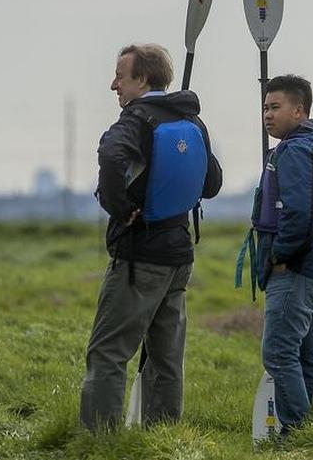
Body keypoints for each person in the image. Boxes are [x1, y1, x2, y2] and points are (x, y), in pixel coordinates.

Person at [79, 43, 222, 431]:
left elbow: (110, 156)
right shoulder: (193, 122)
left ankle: (98, 444)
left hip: (139, 257)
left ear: (142, 80)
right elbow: (212, 184)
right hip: (179, 256)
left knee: (108, 353)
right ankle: (163, 439)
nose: (113, 85)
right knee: (166, 359)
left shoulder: (135, 121)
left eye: (120, 76)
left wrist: (122, 209)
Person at [250, 74, 313, 431]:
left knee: (278, 353)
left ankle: (299, 433)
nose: (267, 115)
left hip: (296, 269)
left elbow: (298, 212)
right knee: (307, 356)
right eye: (265, 108)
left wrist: (279, 256)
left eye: (275, 107)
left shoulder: (295, 151)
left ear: (299, 111)